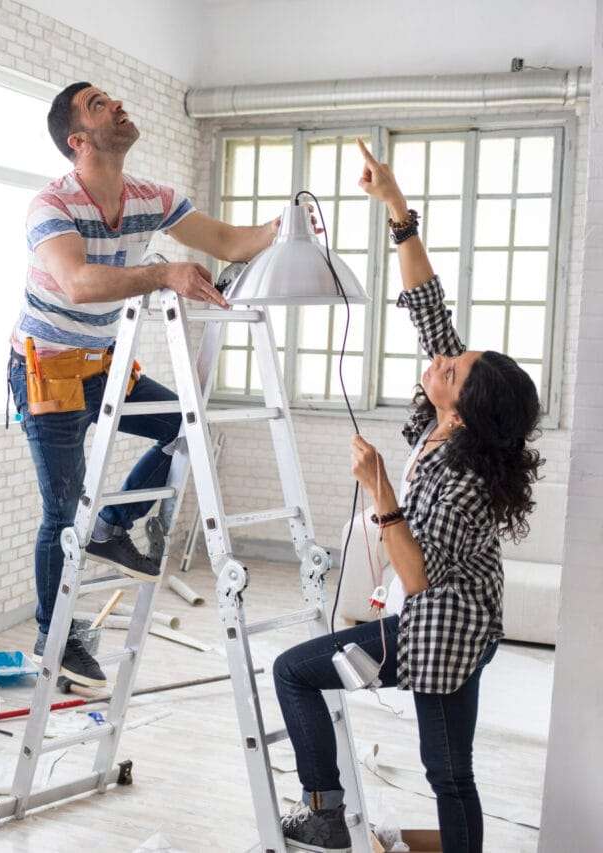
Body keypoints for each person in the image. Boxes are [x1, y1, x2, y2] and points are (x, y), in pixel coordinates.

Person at [274, 138, 544, 853]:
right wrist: (396, 208)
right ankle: (346, 815)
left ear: (463, 404)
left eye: (451, 366)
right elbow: (429, 308)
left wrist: (380, 488)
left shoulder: (460, 474)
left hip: (443, 630)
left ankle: (327, 814)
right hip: (445, 620)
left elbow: (420, 576)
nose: (440, 358)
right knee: (446, 769)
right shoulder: (446, 418)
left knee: (306, 680)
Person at [8, 81, 293, 688]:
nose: (117, 104)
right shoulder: (51, 206)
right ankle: (52, 638)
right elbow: (78, 284)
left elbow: (232, 243)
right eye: (99, 104)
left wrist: (287, 227)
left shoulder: (149, 198)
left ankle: (116, 527)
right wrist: (164, 273)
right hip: (48, 370)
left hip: (104, 365)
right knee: (63, 509)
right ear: (78, 140)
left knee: (186, 432)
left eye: (114, 97)